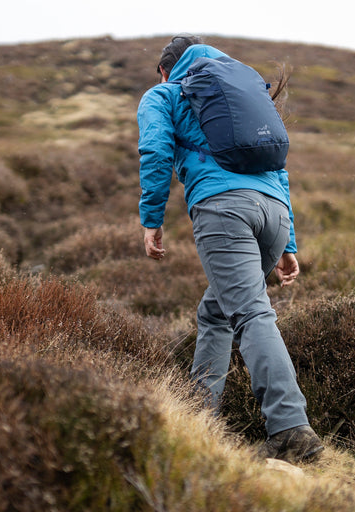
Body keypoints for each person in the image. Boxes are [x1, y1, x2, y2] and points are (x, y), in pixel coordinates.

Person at [137, 35, 323, 463]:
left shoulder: (164, 93)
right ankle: (200, 415)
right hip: (272, 214)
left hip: (224, 212)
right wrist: (287, 243)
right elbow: (277, 165)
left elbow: (155, 150)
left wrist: (151, 220)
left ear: (165, 69)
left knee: (251, 313)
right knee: (216, 311)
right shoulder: (246, 90)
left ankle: (291, 429)